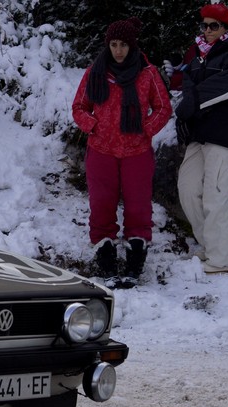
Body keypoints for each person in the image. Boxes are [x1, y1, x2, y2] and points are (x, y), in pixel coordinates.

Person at [72, 17, 172, 288]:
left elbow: (163, 108)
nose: (118, 50)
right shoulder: (96, 72)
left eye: (123, 45)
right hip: (101, 150)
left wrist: (146, 128)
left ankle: (134, 261)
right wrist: (93, 126)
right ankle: (106, 259)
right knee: (101, 204)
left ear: (132, 46)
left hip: (136, 151)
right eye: (114, 44)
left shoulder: (147, 73)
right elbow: (79, 107)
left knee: (138, 206)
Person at [170, 3, 228, 274]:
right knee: (187, 188)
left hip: (222, 134)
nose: (208, 30)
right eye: (205, 25)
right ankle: (210, 247)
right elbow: (187, 84)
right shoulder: (198, 55)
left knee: (215, 194)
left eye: (214, 26)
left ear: (226, 29)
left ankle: (223, 259)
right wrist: (184, 118)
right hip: (199, 135)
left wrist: (191, 102)